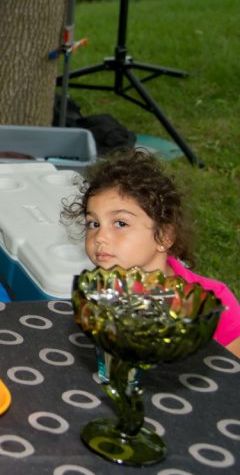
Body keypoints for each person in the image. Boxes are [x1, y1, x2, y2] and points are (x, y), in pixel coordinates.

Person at [62, 149, 240, 357]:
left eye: (120, 223)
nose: (100, 236)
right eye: (94, 223)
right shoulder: (98, 294)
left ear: (164, 236)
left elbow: (232, 377)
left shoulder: (214, 303)